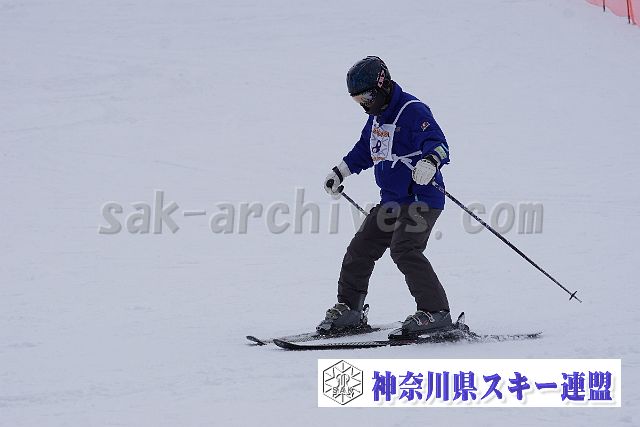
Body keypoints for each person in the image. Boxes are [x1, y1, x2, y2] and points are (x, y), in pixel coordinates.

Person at [317, 56, 452, 338]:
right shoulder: (377, 118)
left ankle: (435, 312)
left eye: (366, 97)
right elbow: (364, 150)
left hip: (422, 199)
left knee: (404, 248)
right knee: (361, 247)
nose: (364, 105)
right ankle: (350, 309)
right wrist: (340, 172)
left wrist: (430, 162)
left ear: (382, 86)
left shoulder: (412, 111)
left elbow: (439, 144)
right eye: (357, 100)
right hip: (392, 202)